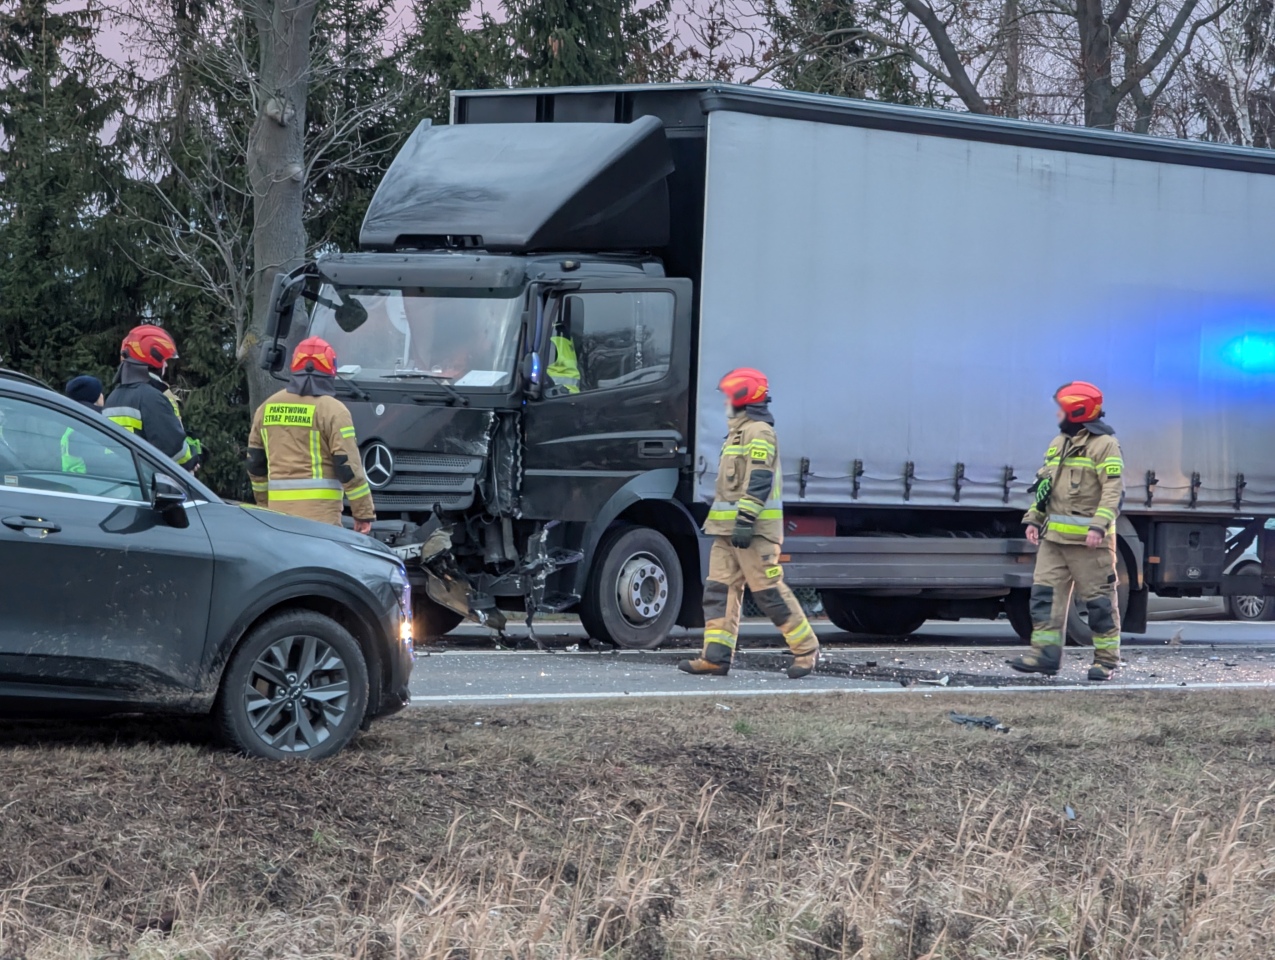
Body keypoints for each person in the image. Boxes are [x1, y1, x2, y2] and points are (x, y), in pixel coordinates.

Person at [679, 367, 820, 679]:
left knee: (768, 592)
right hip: (726, 532)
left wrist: (745, 521)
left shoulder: (759, 432)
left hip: (752, 532)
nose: (725, 401)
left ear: (743, 397)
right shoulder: (737, 433)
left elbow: (759, 480)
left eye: (729, 395)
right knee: (719, 593)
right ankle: (715, 658)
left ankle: (806, 651)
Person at [1011, 380, 1125, 681]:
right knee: (1044, 599)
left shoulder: (1105, 445)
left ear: (1077, 410)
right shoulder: (1058, 443)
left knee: (1099, 604)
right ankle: (1045, 656)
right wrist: (1034, 518)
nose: (1057, 414)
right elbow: (1045, 487)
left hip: (1089, 544)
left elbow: (1113, 491)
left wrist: (1099, 526)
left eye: (1061, 409)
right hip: (1054, 541)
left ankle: (1106, 662)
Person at [246, 337, 375, 531]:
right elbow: (348, 466)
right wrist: (363, 513)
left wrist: (265, 507)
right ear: (331, 369)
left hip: (277, 521)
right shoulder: (334, 411)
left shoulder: (266, 408)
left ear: (294, 366)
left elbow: (255, 465)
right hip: (320, 522)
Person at [104, 325, 197, 472]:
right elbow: (176, 451)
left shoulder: (113, 397)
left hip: (121, 478)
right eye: (164, 360)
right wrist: (194, 456)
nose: (166, 365)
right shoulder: (151, 397)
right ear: (154, 360)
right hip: (146, 481)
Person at [61, 375, 106, 474]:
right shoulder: (86, 428)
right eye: (100, 393)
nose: (102, 395)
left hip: (72, 478)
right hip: (85, 479)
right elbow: (99, 463)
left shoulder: (74, 423)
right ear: (94, 398)